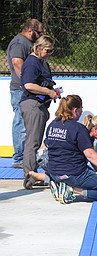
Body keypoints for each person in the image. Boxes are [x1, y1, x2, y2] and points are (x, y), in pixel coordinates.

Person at [26, 95, 97, 204]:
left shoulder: (52, 125)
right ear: (75, 110)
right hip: (74, 173)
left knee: (65, 174)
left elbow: (47, 146)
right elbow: (90, 155)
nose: (82, 111)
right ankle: (72, 189)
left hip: (54, 170)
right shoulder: (79, 129)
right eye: (81, 109)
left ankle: (52, 180)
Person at [20, 35, 59, 189]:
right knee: (33, 141)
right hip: (32, 104)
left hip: (40, 105)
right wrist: (48, 92)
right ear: (39, 48)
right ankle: (30, 175)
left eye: (51, 51)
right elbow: (28, 85)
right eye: (48, 50)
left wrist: (52, 91)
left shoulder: (42, 62)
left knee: (36, 140)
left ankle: (33, 174)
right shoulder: (31, 63)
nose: (49, 53)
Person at [7, 18, 43, 168]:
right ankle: (19, 157)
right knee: (21, 122)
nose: (40, 35)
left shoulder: (27, 43)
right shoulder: (20, 43)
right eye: (39, 32)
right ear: (30, 30)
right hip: (20, 89)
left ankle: (24, 156)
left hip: (24, 88)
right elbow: (17, 62)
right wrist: (27, 82)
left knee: (26, 123)